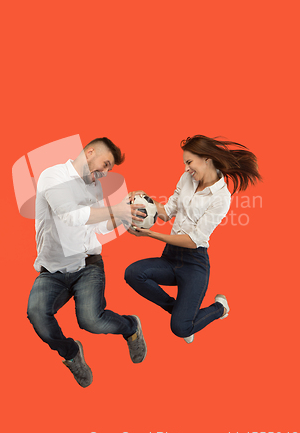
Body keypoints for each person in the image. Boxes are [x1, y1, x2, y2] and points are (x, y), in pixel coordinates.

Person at [27, 137, 147, 388]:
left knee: (91, 321)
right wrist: (117, 210)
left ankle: (131, 327)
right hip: (53, 271)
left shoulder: (94, 187)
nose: (104, 173)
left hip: (87, 264)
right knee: (37, 314)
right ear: (89, 152)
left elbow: (101, 226)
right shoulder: (53, 176)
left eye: (109, 169)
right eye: (105, 164)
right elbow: (70, 215)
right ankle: (71, 354)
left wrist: (126, 212)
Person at [125, 135, 262, 344]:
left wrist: (151, 234)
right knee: (133, 273)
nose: (187, 168)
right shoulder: (187, 178)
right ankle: (182, 312)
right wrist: (147, 199)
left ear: (206, 159)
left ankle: (220, 308)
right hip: (171, 257)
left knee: (180, 329)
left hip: (193, 263)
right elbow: (167, 212)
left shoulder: (221, 197)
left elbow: (194, 240)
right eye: (185, 163)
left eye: (189, 162)